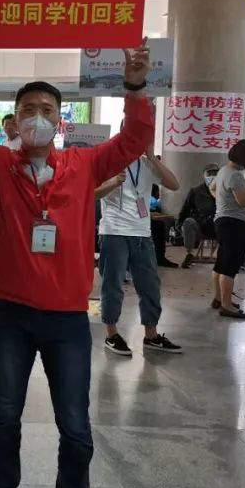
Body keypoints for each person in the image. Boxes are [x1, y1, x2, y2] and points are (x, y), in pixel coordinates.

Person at [0, 33, 154, 488]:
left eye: (47, 110)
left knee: (75, 427)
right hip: (11, 315)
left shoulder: (84, 166)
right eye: (29, 110)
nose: (37, 118)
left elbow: (135, 140)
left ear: (60, 121)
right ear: (15, 120)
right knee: (4, 416)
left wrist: (135, 89)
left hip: (67, 319)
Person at [95, 143, 182, 356]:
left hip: (142, 234)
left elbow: (174, 184)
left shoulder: (147, 163)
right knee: (112, 286)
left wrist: (152, 158)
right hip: (114, 232)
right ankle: (111, 334)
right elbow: (90, 194)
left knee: (150, 285)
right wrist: (113, 183)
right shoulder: (107, 161)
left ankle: (151, 335)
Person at [210, 140, 245, 320]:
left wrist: (223, 202)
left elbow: (212, 188)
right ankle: (227, 306)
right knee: (230, 265)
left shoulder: (223, 170)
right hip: (234, 223)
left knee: (221, 262)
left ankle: (218, 298)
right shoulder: (235, 175)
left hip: (222, 220)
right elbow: (243, 202)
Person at [177, 163, 220, 268]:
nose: (212, 176)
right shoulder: (196, 192)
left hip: (220, 227)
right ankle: (189, 254)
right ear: (204, 175)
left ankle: (240, 258)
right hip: (202, 227)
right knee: (188, 222)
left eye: (215, 173)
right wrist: (179, 224)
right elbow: (185, 209)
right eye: (209, 174)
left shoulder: (225, 191)